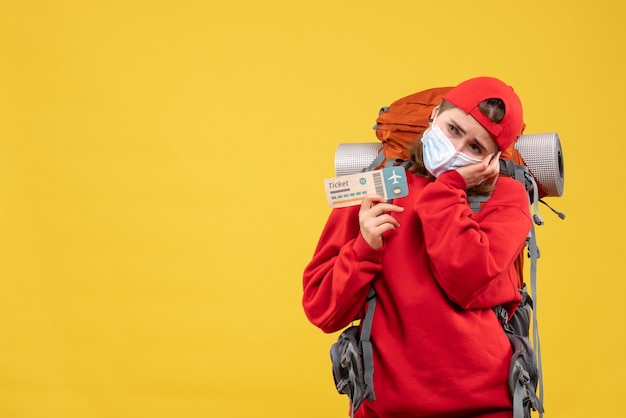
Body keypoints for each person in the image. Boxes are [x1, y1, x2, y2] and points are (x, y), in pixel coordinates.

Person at [302, 76, 533, 418]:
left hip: (486, 406)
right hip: (385, 409)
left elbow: (467, 281)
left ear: (493, 159)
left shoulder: (507, 197)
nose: (456, 149)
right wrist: (364, 247)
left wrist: (449, 186)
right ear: (434, 115)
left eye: (475, 147)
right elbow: (322, 309)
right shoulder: (375, 187)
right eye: (453, 129)